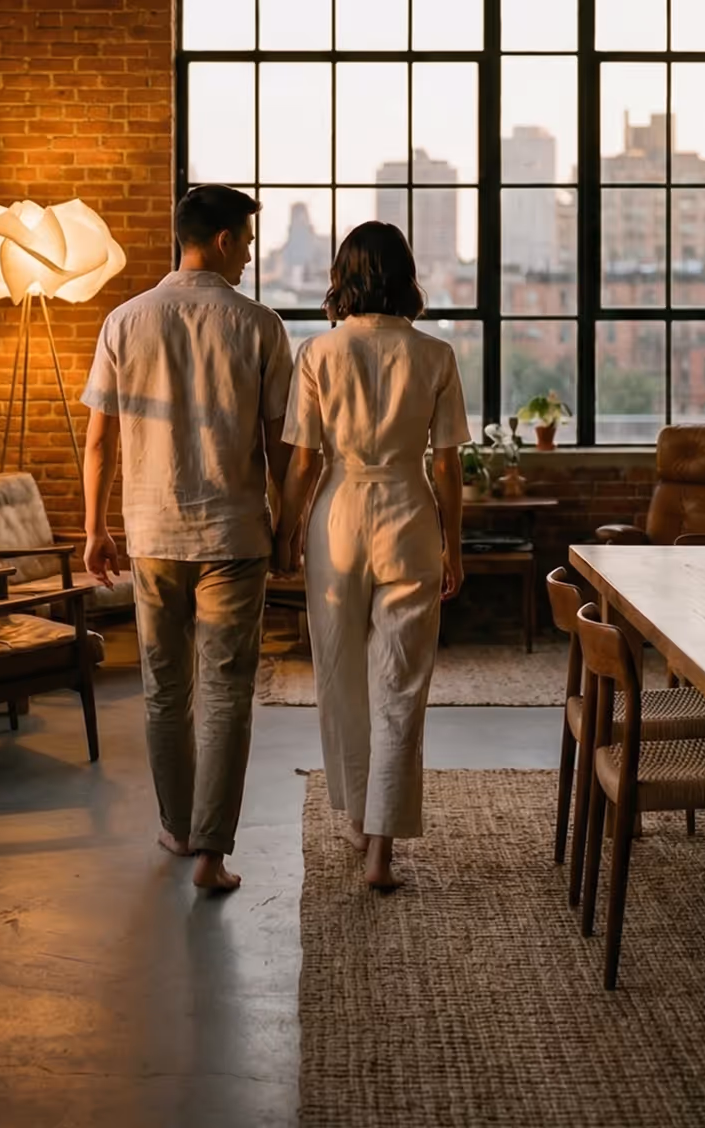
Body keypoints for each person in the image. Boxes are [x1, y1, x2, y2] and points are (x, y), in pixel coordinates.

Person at [82, 185, 293, 892]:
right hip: (234, 534)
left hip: (152, 533)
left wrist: (95, 528)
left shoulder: (124, 320)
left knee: (164, 690)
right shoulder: (259, 325)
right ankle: (211, 854)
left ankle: (176, 828)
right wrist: (287, 526)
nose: (251, 255)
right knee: (228, 692)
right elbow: (280, 448)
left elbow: (100, 440)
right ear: (225, 240)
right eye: (248, 241)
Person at [274, 221, 470, 889]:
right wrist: (453, 544)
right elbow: (446, 466)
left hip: (338, 516)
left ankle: (359, 818)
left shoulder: (318, 351)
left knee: (339, 675)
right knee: (401, 684)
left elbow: (304, 462)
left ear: (344, 276)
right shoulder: (436, 354)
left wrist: (286, 531)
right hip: (409, 515)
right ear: (405, 276)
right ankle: (380, 850)